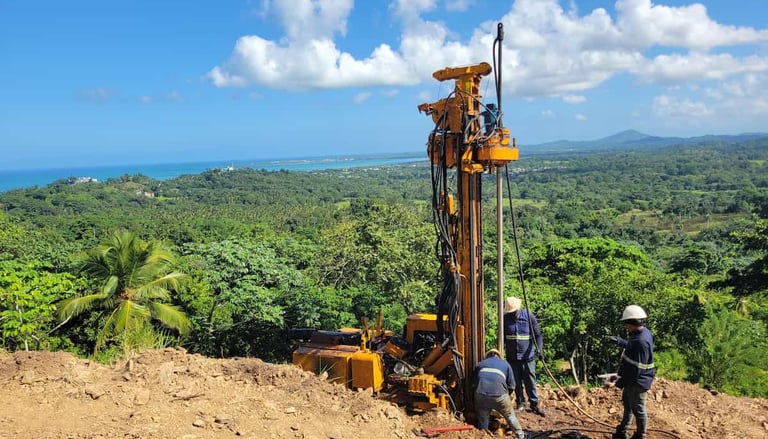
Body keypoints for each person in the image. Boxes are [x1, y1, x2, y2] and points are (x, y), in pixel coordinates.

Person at [605, 305, 655, 439]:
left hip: (638, 381)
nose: (626, 326)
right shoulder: (640, 335)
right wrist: (621, 342)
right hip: (632, 379)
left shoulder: (641, 341)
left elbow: (637, 369)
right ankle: (622, 431)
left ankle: (640, 435)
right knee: (628, 405)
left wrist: (618, 383)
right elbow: (632, 348)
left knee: (638, 409)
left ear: (633, 322)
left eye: (627, 323)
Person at [503, 296, 546, 416]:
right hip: (512, 357)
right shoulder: (505, 319)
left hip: (528, 357)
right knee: (516, 382)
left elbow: (538, 335)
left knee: (530, 380)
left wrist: (540, 350)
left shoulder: (528, 316)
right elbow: (501, 337)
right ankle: (520, 403)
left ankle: (534, 403)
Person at [473, 349, 525, 439]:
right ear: (499, 356)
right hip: (500, 395)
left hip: (481, 394)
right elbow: (512, 386)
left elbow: (474, 383)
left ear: (487, 356)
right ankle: (521, 435)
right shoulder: (505, 364)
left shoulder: (480, 364)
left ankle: (484, 435)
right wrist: (506, 396)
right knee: (510, 416)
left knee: (483, 418)